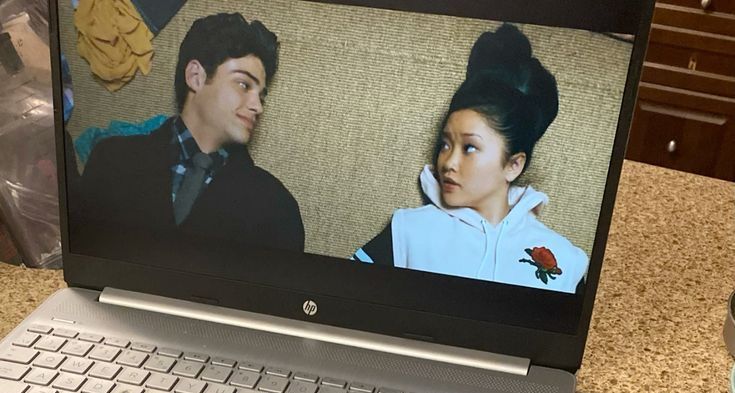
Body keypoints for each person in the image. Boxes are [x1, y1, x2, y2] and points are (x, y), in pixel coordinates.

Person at [353, 23, 588, 293]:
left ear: (513, 165)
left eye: (469, 148)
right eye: (445, 144)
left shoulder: (566, 261)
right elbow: (345, 298)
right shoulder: (408, 230)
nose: (448, 163)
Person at [77, 12, 304, 255]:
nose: (257, 106)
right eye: (244, 85)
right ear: (196, 76)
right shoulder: (112, 160)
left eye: (261, 96)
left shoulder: (277, 205)